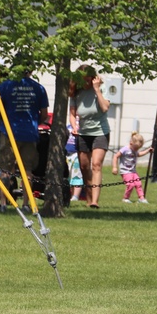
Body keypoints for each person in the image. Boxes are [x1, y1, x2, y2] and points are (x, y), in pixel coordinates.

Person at [0, 67, 49, 212]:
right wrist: (34, 121)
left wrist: (4, 122)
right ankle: (25, 204)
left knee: (5, 169)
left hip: (10, 132)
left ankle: (3, 203)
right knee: (27, 170)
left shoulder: (5, 86)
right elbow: (44, 114)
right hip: (29, 132)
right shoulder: (39, 88)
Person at [69, 65, 110, 208]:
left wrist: (97, 90)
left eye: (88, 80)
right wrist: (74, 127)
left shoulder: (101, 89)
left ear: (93, 78)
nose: (86, 83)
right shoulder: (76, 92)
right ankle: (88, 197)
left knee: (96, 165)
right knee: (84, 166)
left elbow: (105, 108)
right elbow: (73, 113)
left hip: (100, 132)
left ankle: (95, 201)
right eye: (83, 80)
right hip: (83, 133)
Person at [113, 131, 152, 204]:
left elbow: (139, 154)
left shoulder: (135, 150)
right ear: (131, 143)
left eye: (138, 148)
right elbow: (116, 156)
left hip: (133, 171)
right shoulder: (125, 149)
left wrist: (147, 151)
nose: (136, 150)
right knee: (130, 185)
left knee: (138, 183)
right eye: (135, 148)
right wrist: (115, 167)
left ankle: (141, 198)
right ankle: (125, 198)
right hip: (125, 171)